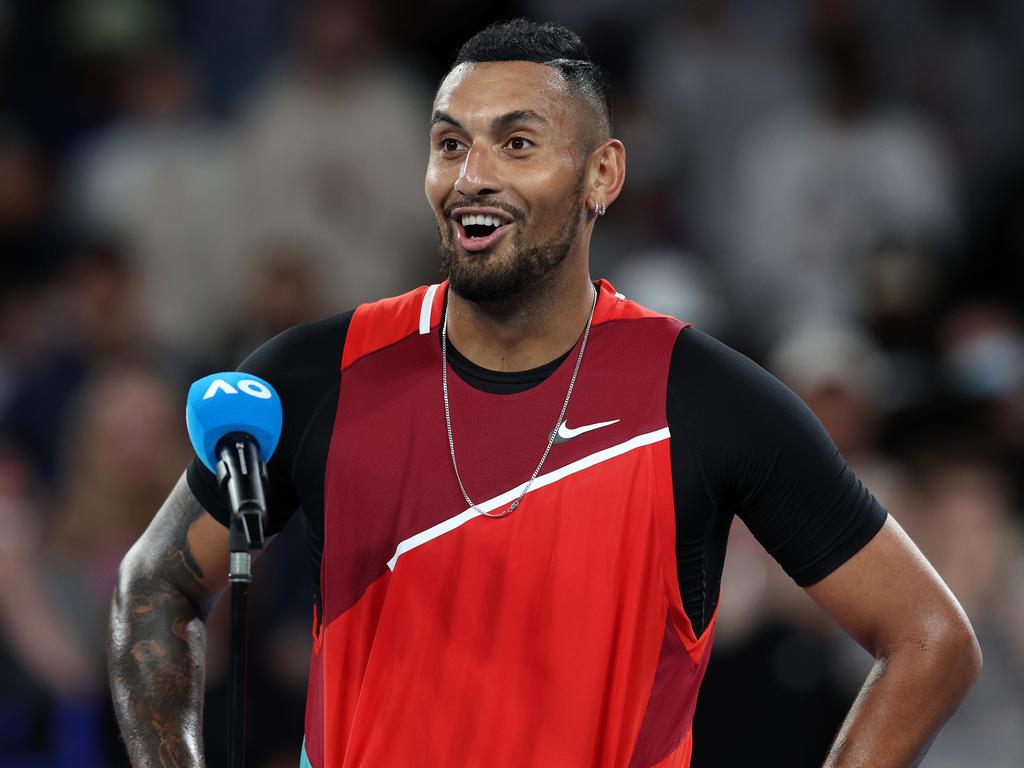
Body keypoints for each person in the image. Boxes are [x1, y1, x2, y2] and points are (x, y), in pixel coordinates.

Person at [108, 19, 981, 768]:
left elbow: (930, 641)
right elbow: (153, 583)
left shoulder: (703, 399)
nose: (471, 176)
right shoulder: (312, 374)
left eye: (515, 143)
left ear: (602, 175)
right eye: (450, 144)